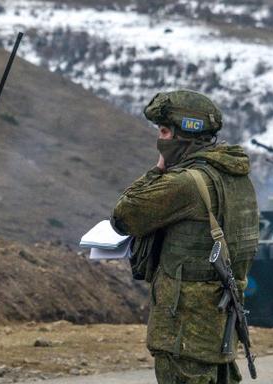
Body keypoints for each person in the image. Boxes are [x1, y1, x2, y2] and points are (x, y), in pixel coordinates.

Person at [111, 90, 260, 384]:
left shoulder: (185, 184)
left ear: (186, 134)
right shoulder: (236, 179)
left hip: (183, 332)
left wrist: (157, 170)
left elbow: (124, 216)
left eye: (165, 131)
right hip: (218, 329)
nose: (161, 139)